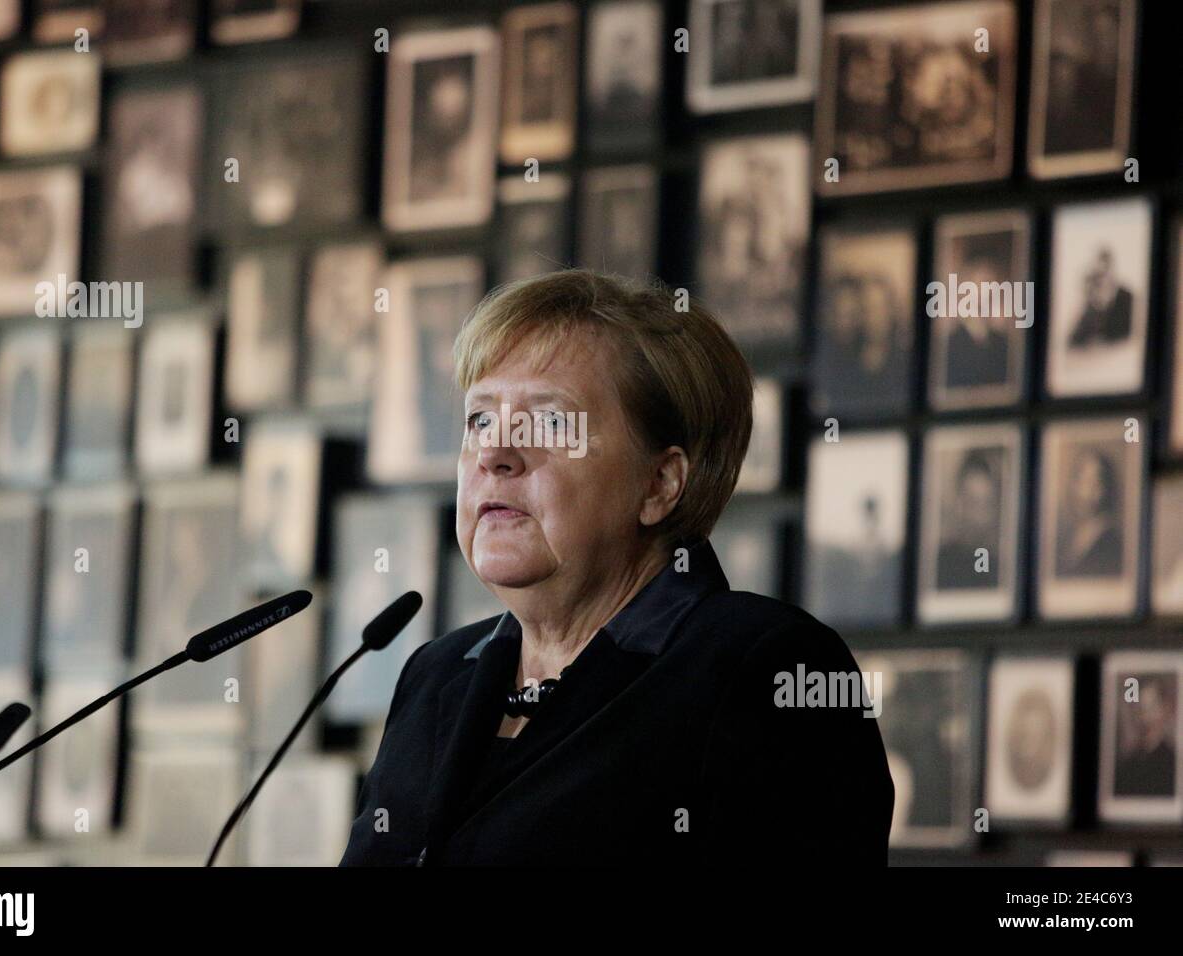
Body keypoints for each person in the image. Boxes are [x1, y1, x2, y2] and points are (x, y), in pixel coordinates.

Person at [340, 269, 894, 866]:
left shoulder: (764, 667)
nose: (495, 453)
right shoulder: (436, 673)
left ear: (659, 483)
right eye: (479, 420)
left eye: (551, 421)